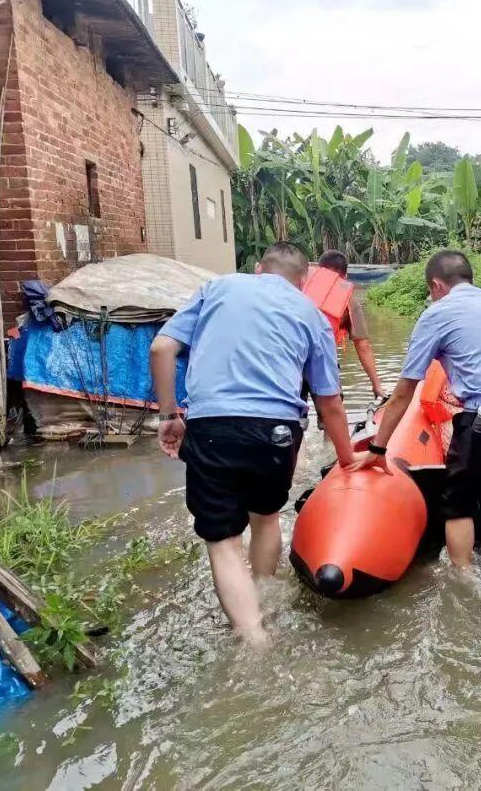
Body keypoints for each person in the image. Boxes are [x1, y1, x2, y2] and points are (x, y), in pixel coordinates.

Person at [150, 242, 361, 646]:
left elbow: (162, 347)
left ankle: (253, 637)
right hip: (278, 432)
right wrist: (348, 461)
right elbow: (329, 403)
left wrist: (168, 415)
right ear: (303, 283)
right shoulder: (312, 315)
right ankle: (265, 598)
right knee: (266, 517)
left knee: (224, 540)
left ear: (258, 267)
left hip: (214, 426)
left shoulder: (218, 288)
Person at [350, 250, 481, 599]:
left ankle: (464, 586)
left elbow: (405, 390)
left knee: (458, 504)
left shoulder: (437, 313)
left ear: (436, 285)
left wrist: (378, 447)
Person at [317, 250, 386, 400]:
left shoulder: (299, 291)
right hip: (324, 365)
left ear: (318, 270)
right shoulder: (349, 302)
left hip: (294, 362)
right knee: (331, 413)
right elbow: (363, 346)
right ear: (345, 275)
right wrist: (376, 384)